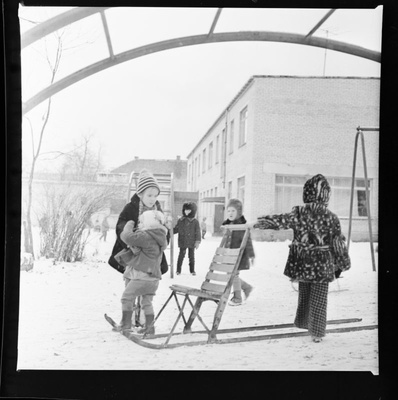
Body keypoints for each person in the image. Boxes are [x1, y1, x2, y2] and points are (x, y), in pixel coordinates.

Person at [253, 174, 351, 343]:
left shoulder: (299, 213)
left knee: (305, 294)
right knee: (319, 298)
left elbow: (281, 220)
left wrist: (261, 222)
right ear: (326, 196)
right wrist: (344, 262)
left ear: (306, 194)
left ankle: (305, 323)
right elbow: (337, 244)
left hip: (303, 262)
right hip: (322, 264)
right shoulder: (331, 217)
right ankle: (317, 332)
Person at [108, 169, 169, 327]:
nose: (153, 199)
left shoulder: (157, 209)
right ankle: (130, 317)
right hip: (132, 253)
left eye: (155, 196)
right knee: (130, 284)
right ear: (140, 194)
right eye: (149, 195)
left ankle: (141, 319)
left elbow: (164, 229)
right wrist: (131, 241)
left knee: (144, 290)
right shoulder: (131, 208)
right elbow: (121, 226)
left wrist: (159, 240)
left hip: (149, 256)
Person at [114, 209, 168, 335]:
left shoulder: (146, 236)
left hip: (142, 278)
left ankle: (126, 325)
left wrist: (129, 224)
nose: (140, 224)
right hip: (153, 279)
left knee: (126, 298)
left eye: (142, 221)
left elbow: (126, 237)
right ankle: (149, 328)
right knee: (146, 302)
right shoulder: (160, 236)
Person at [222, 198, 255, 306]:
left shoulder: (242, 225)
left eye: (233, 211)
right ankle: (246, 287)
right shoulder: (228, 224)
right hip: (229, 254)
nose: (230, 213)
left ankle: (237, 298)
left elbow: (248, 241)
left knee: (234, 274)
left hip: (239, 254)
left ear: (239, 212)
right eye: (229, 211)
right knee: (230, 274)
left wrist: (251, 255)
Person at [173, 202, 201, 276]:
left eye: (189, 210)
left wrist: (197, 241)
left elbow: (198, 232)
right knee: (181, 256)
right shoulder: (181, 220)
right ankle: (178, 270)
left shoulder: (195, 222)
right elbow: (176, 229)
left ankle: (192, 270)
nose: (186, 212)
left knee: (191, 256)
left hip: (191, 241)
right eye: (185, 210)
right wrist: (170, 230)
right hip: (183, 240)